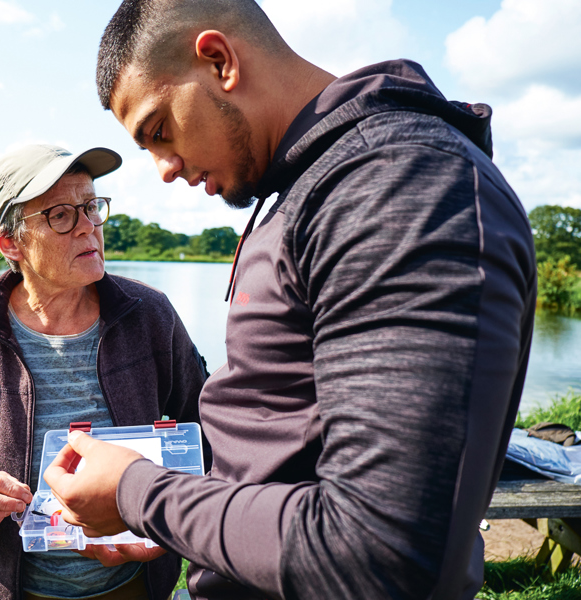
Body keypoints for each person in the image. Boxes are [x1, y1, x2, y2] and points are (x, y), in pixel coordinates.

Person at [43, 2, 538, 599]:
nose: (164, 169)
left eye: (158, 131)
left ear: (219, 60)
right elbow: (281, 438)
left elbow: (384, 553)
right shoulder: (309, 188)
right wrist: (180, 525)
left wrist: (138, 492)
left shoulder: (399, 188)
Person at [0, 143, 209, 600]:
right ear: (11, 242)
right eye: (61, 216)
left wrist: (168, 513)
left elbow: (207, 430)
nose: (89, 226)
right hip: (13, 590)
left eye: (91, 206)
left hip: (136, 584)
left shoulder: (151, 315)